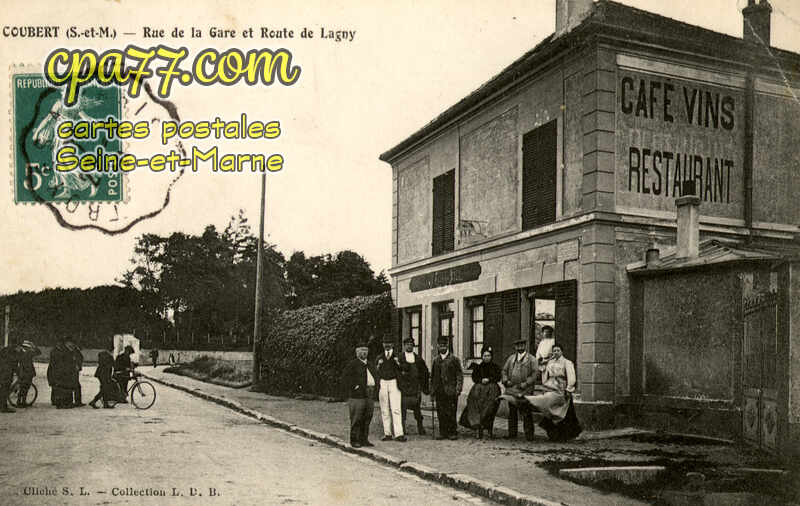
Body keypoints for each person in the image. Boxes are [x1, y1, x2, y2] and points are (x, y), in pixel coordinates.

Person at [525, 343, 582, 441]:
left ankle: (566, 435)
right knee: (550, 409)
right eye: (554, 351)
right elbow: (544, 373)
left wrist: (569, 388)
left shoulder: (567, 362)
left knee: (564, 412)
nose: (556, 352)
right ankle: (553, 433)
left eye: (558, 350)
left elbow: (571, 376)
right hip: (551, 387)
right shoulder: (550, 363)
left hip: (561, 388)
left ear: (562, 351)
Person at [340, 341, 377, 448]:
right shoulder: (352, 365)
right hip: (357, 395)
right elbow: (345, 379)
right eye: (361, 350)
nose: (364, 353)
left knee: (367, 416)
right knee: (357, 417)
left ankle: (364, 439)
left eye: (365, 350)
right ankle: (354, 440)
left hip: (370, 393)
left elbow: (376, 376)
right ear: (357, 352)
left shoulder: (370, 364)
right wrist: (354, 387)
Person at [499, 337, 538, 440]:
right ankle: (512, 434)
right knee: (512, 412)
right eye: (517, 345)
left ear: (525, 346)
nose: (519, 347)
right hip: (512, 390)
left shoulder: (532, 359)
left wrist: (525, 384)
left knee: (526, 412)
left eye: (522, 345)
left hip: (525, 390)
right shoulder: (511, 358)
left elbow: (535, 374)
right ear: (515, 347)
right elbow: (504, 371)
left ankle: (529, 435)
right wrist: (506, 380)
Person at [459, 346, 502, 439]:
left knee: (490, 407)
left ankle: (489, 429)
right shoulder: (478, 367)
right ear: (482, 356)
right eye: (485, 355)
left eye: (489, 355)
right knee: (474, 402)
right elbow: (474, 377)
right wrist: (481, 380)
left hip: (492, 389)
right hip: (479, 389)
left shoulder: (495, 367)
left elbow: (498, 377)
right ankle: (478, 427)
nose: (487, 357)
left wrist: (489, 379)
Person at [430, 336, 463, 440]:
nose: (442, 347)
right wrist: (432, 391)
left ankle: (452, 432)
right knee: (441, 412)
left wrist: (458, 388)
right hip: (439, 390)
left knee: (451, 411)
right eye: (440, 346)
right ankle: (442, 432)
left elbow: (459, 375)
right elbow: (433, 377)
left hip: (451, 390)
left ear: (447, 346)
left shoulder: (454, 359)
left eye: (444, 345)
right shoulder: (436, 360)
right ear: (438, 346)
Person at [397, 336, 430, 436]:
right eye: (407, 344)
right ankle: (402, 428)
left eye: (411, 345)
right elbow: (396, 372)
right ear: (404, 346)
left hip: (415, 388)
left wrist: (425, 386)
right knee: (402, 409)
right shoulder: (400, 358)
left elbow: (425, 372)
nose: (409, 346)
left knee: (417, 409)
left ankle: (420, 427)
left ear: (413, 346)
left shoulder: (418, 359)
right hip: (403, 388)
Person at [376, 335, 406, 442]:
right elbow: (376, 372)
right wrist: (378, 366)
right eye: (385, 343)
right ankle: (387, 433)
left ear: (393, 344)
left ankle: (399, 434)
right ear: (383, 344)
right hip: (383, 383)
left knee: (396, 408)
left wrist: (398, 363)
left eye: (389, 342)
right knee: (384, 409)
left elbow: (404, 369)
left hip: (394, 382)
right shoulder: (379, 357)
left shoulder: (397, 356)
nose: (387, 345)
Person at [47, 338, 74, 408]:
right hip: (59, 372)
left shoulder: (61, 351)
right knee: (60, 388)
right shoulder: (57, 352)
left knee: (60, 387)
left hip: (60, 371)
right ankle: (60, 403)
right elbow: (58, 363)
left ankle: (60, 402)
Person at [15, 340, 40, 408]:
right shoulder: (20, 353)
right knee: (22, 388)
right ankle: (19, 402)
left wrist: (34, 346)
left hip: (29, 373)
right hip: (23, 372)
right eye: (27, 347)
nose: (28, 348)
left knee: (26, 388)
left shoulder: (28, 353)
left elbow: (38, 352)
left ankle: (23, 401)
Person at [0, 344, 23, 413]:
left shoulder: (5, 350)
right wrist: (19, 374)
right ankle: (3, 407)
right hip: (6, 374)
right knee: (5, 390)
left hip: (2, 372)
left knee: (2, 389)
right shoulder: (13, 353)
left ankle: (2, 405)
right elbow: (15, 366)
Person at [66, 341, 84, 407]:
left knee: (75, 386)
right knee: (75, 386)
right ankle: (76, 401)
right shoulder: (74, 351)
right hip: (73, 371)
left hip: (74, 371)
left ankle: (75, 401)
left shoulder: (74, 351)